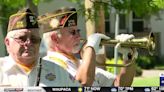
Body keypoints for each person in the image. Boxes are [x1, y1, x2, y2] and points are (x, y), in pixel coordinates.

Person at [38, 7, 138, 86]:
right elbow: (82, 84)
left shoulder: (80, 63)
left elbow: (119, 85)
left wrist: (128, 58)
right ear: (55, 38)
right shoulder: (47, 65)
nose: (79, 36)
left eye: (78, 31)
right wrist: (90, 48)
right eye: (73, 32)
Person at [0, 8, 81, 87]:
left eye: (34, 39)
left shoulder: (58, 71)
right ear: (7, 42)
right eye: (22, 38)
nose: (28, 43)